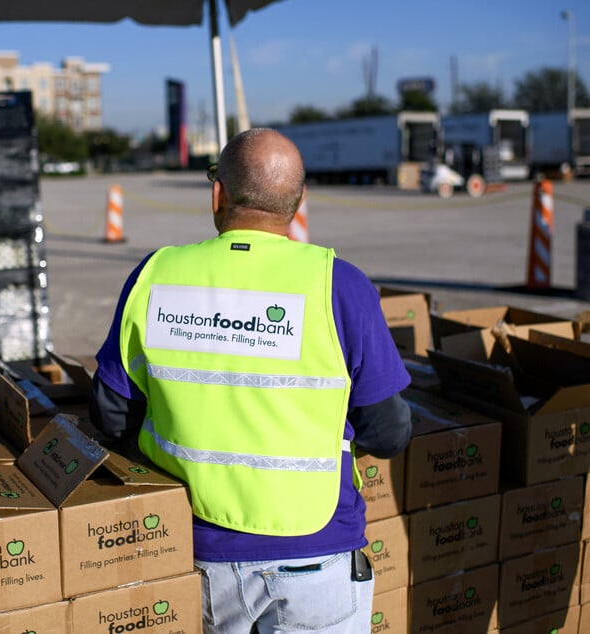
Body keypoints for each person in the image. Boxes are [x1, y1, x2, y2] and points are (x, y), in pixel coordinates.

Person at [89, 128, 412, 633]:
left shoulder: (155, 275)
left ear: (218, 193)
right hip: (317, 553)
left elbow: (110, 415)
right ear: (298, 200)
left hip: (194, 554)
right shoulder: (340, 284)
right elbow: (389, 433)